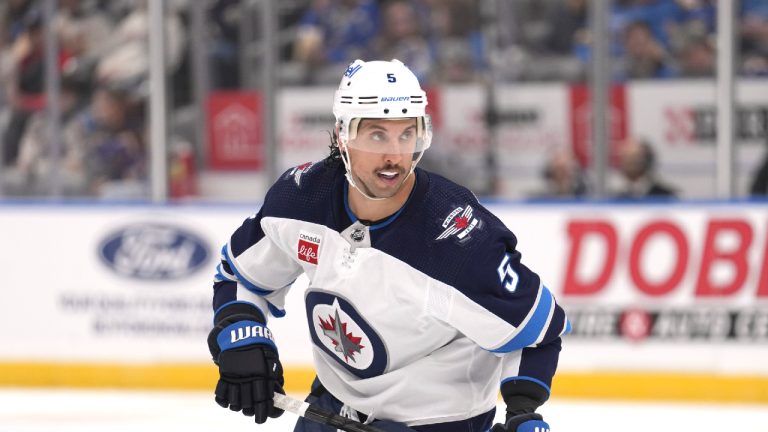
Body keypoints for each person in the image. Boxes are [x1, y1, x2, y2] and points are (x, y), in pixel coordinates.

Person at [206, 59, 569, 432]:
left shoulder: (459, 242)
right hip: (329, 410)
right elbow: (241, 275)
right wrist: (242, 334)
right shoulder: (302, 199)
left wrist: (523, 413)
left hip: (434, 424)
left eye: (406, 134)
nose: (395, 155)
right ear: (342, 135)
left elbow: (536, 333)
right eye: (377, 135)